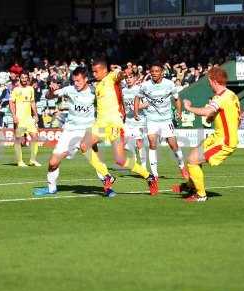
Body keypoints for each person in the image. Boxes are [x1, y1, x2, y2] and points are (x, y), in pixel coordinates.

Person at [33, 66, 116, 197]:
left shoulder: (94, 92)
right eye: (74, 81)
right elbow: (49, 96)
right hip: (69, 132)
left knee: (97, 162)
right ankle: (51, 189)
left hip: (88, 131)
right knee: (53, 162)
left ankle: (108, 188)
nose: (76, 84)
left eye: (78, 81)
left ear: (86, 79)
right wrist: (50, 90)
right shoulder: (69, 89)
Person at [80, 59, 158, 196]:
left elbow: (119, 75)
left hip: (114, 124)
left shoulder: (111, 76)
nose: (94, 73)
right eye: (92, 71)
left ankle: (149, 177)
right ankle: (107, 176)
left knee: (120, 160)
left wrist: (123, 72)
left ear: (104, 70)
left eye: (96, 71)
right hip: (100, 124)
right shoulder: (98, 85)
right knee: (83, 146)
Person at [172, 67, 240, 202]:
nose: (208, 84)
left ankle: (201, 195)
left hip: (224, 141)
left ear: (213, 80)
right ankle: (191, 186)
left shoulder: (221, 98)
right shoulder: (231, 95)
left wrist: (188, 107)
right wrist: (212, 117)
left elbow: (207, 111)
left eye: (209, 81)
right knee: (193, 156)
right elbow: (231, 117)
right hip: (218, 137)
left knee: (192, 161)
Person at [134, 63, 189, 183]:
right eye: (152, 71)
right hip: (151, 119)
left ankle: (182, 166)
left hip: (166, 120)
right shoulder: (145, 85)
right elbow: (137, 97)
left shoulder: (169, 84)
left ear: (162, 73)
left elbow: (176, 98)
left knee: (173, 145)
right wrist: (136, 112)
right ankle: (155, 175)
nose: (154, 73)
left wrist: (179, 112)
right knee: (152, 144)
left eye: (157, 71)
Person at [9, 71, 41, 167]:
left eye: (25, 77)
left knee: (35, 137)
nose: (24, 79)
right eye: (22, 77)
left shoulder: (31, 89)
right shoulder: (15, 90)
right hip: (20, 118)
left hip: (29, 119)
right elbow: (11, 103)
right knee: (19, 140)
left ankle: (32, 160)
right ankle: (20, 161)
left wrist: (36, 115)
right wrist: (14, 116)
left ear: (28, 78)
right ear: (20, 78)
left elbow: (32, 102)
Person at [122, 69, 148, 169]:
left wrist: (137, 107)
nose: (128, 80)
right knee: (124, 142)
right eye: (126, 78)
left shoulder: (140, 89)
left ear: (135, 78)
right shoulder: (123, 90)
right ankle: (135, 160)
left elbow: (147, 103)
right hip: (128, 121)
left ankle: (144, 167)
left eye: (130, 77)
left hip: (139, 120)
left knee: (139, 142)